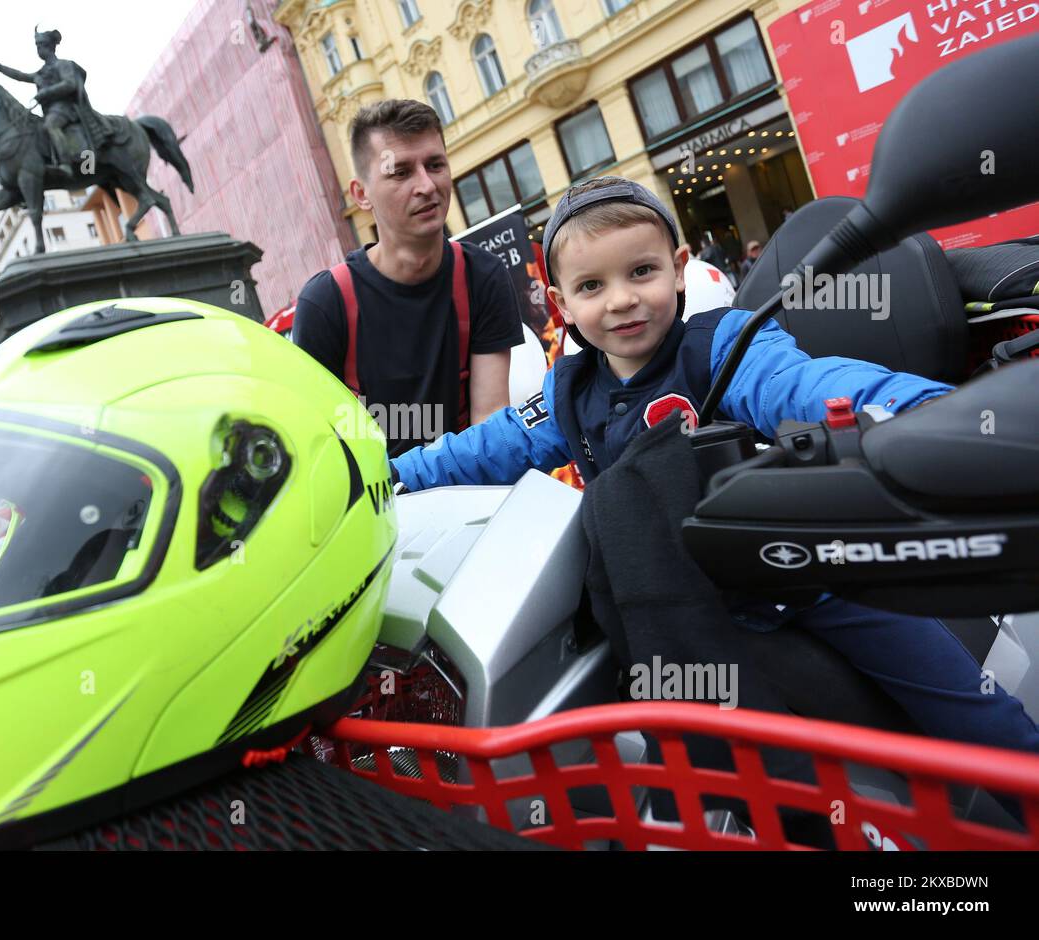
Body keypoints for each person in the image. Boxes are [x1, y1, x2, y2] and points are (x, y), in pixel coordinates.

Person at [391, 175, 1039, 755]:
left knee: (969, 708)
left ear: (678, 270)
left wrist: (932, 415)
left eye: (640, 272)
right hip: (684, 617)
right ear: (561, 304)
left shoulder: (724, 344)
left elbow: (803, 384)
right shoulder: (568, 392)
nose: (620, 300)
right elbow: (488, 446)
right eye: (592, 286)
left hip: (805, 575)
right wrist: (390, 477)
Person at [292, 99, 524, 457]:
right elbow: (319, 445)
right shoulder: (327, 302)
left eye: (435, 165)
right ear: (361, 194)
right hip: (376, 503)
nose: (427, 185)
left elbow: (489, 427)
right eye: (400, 172)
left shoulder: (483, 276)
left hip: (470, 492)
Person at [0, 28, 110, 183]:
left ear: (50, 46)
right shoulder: (41, 72)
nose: (38, 49)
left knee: (50, 126)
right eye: (37, 46)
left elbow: (70, 83)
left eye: (41, 45)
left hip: (66, 108)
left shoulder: (63, 65)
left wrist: (46, 93)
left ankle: (66, 163)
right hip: (51, 111)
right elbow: (20, 76)